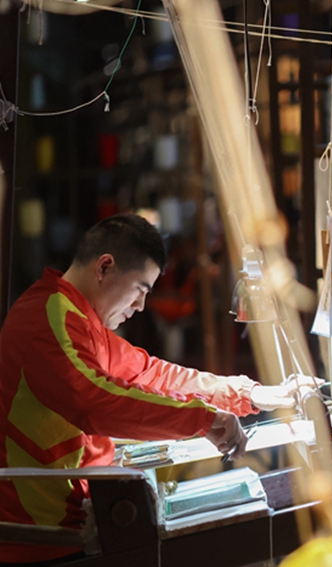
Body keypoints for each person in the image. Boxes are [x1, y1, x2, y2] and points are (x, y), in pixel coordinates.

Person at [0, 214, 308, 565]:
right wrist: (203, 419)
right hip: (39, 537)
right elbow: (95, 401)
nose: (140, 306)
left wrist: (246, 393)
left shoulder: (78, 320)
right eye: (139, 290)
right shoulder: (46, 317)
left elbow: (149, 374)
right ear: (104, 267)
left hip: (72, 520)